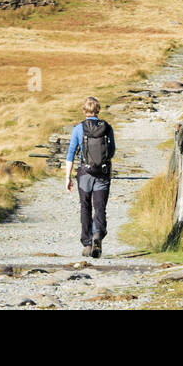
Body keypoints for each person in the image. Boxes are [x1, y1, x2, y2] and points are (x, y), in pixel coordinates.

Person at [64, 96, 115, 258]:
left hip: (85, 173)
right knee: (100, 206)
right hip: (103, 173)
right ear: (98, 110)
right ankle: (98, 234)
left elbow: (71, 153)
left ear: (84, 110)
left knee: (85, 207)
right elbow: (112, 151)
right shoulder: (107, 127)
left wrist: (68, 177)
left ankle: (87, 243)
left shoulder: (79, 128)